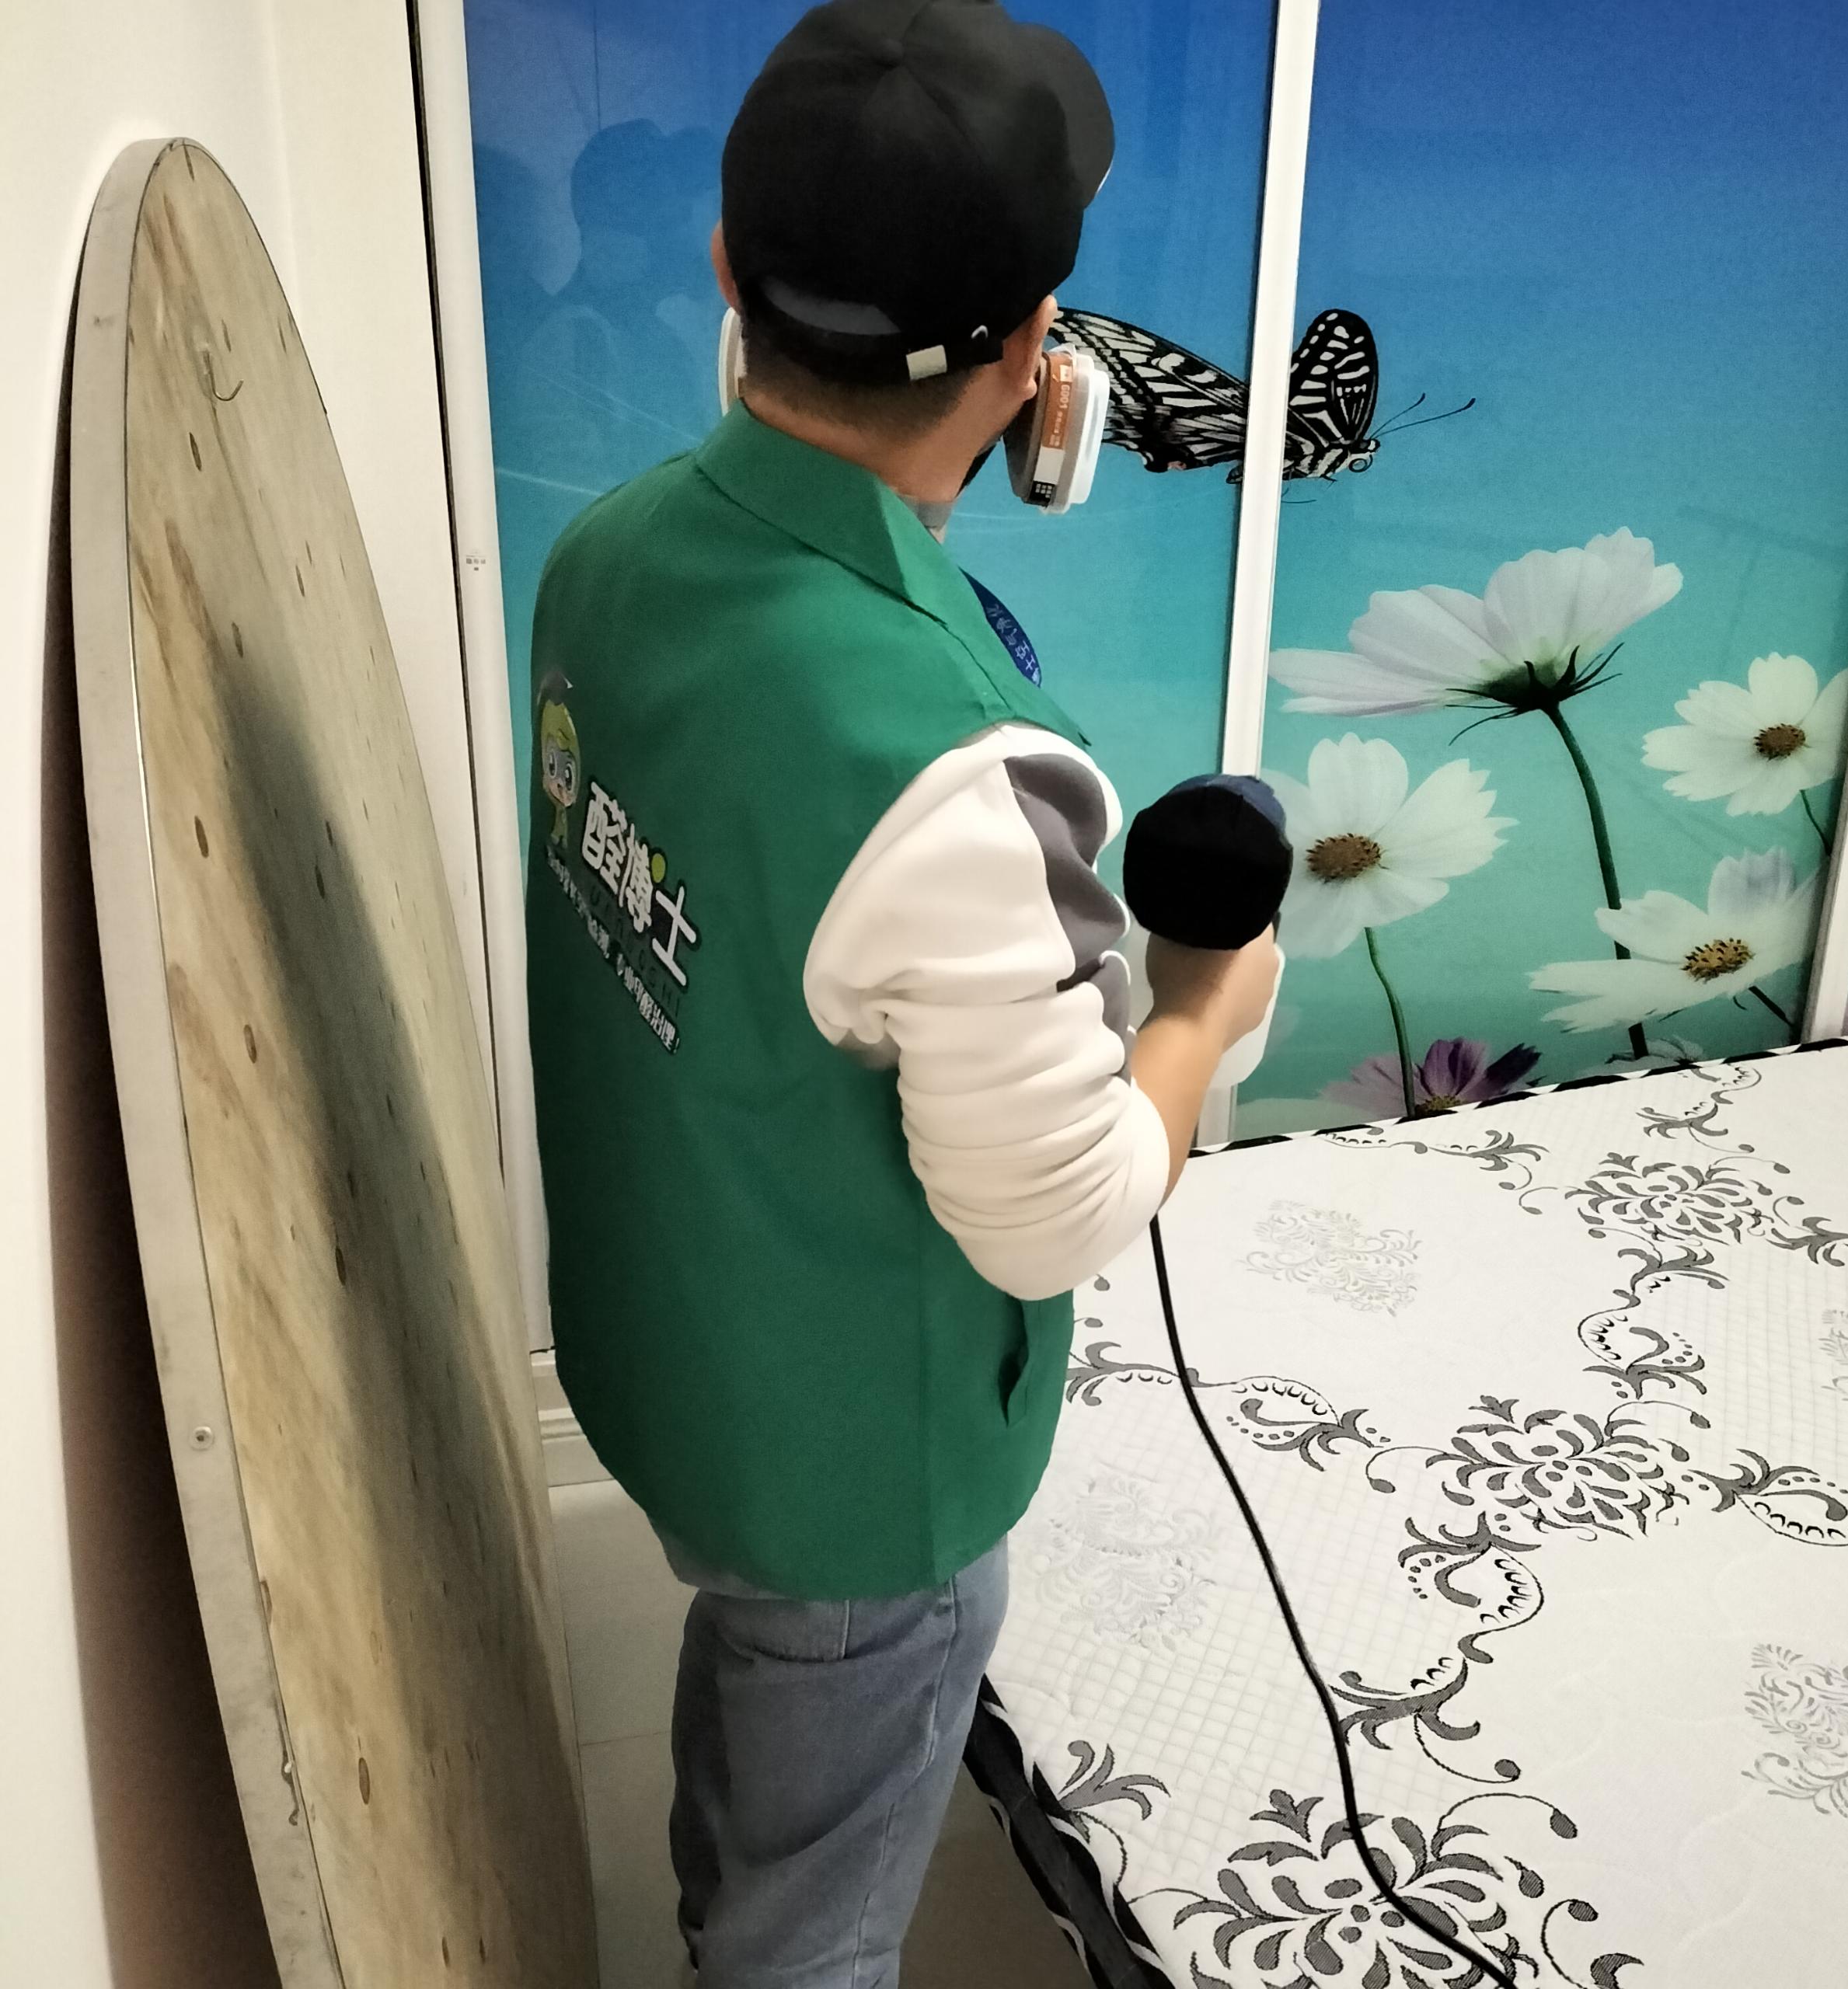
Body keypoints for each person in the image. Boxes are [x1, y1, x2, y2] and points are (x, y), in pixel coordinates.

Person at [522, 5, 1277, 1985]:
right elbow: (1049, 1207)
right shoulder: (944, 769)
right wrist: (1198, 1013)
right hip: (859, 1474)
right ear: (1036, 353)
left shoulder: (603, 559)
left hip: (681, 1358)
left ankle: (727, 1906)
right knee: (812, 1920)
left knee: (755, 1721)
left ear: (722, 266)